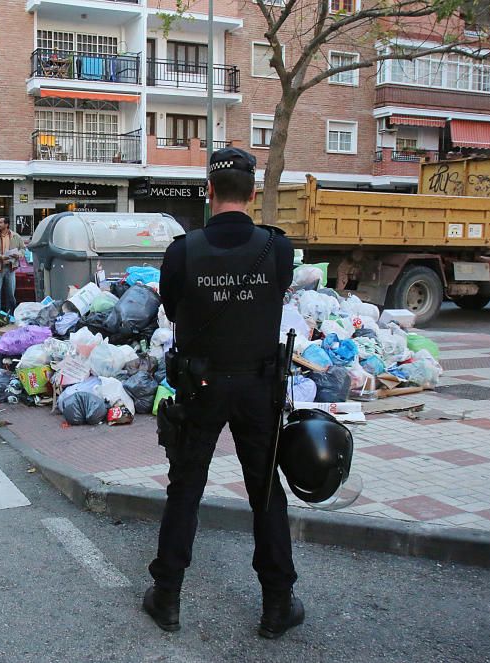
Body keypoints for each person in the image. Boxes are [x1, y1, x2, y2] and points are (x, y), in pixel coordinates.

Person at [143, 147, 300, 639]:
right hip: (258, 387)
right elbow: (280, 292)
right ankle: (276, 606)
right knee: (266, 494)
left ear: (208, 191)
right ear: (252, 193)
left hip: (201, 387)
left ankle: (167, 598)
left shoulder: (182, 250)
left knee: (185, 491)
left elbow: (170, 308)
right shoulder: (277, 248)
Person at [0, 217, 25, 316]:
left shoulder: (16, 236)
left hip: (11, 268)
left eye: (0, 222)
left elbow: (23, 249)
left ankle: (10, 316)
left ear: (6, 224)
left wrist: (19, 254)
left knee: (11, 294)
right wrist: (0, 257)